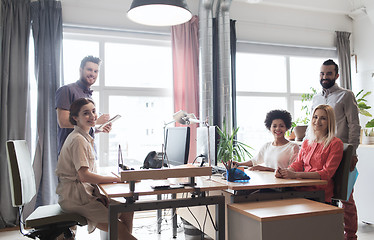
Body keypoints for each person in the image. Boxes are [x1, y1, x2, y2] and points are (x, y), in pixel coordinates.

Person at [55, 98, 136, 240]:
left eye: (93, 111)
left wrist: (99, 194)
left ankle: (122, 236)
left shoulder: (85, 137)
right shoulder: (78, 140)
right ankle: (122, 235)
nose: (92, 116)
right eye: (86, 113)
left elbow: (86, 177)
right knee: (120, 228)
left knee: (127, 210)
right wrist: (117, 179)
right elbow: (84, 176)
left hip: (82, 194)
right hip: (76, 199)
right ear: (75, 118)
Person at [312, 59, 360, 240]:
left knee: (346, 197)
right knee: (325, 195)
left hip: (342, 153)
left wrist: (353, 154)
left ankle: (351, 236)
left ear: (337, 75)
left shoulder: (346, 95)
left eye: (329, 73)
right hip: (322, 153)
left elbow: (354, 126)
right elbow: (315, 125)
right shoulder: (316, 98)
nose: (325, 77)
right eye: (322, 73)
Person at [275, 104, 343, 204]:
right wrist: (286, 172)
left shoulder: (335, 143)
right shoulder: (307, 142)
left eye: (323, 118)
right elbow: (298, 163)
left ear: (330, 122)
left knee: (277, 198)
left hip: (319, 192)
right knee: (269, 193)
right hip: (302, 187)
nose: (317, 121)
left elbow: (326, 173)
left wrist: (295, 175)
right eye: (315, 117)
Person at [55, 55, 111, 155]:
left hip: (88, 152)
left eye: (96, 71)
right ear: (81, 70)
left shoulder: (88, 95)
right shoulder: (66, 90)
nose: (92, 74)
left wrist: (99, 129)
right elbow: (63, 122)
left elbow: (82, 128)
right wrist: (96, 121)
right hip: (71, 153)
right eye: (89, 70)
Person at [234, 110, 299, 172]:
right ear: (270, 128)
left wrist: (266, 169)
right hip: (267, 181)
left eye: (281, 126)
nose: (278, 129)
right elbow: (254, 161)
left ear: (286, 128)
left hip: (284, 182)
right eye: (274, 126)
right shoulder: (266, 146)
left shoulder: (293, 147)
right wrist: (238, 164)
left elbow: (292, 171)